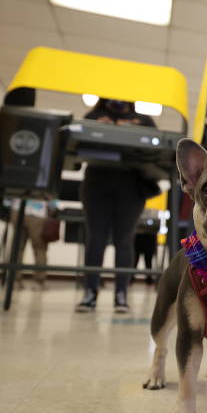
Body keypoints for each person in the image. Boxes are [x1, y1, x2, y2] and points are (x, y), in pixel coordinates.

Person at [75, 99, 158, 313]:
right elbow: (78, 143)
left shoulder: (144, 120)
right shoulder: (94, 116)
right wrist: (101, 128)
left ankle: (121, 293)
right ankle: (90, 292)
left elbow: (156, 150)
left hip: (131, 184)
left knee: (125, 239)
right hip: (96, 181)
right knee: (95, 238)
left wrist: (134, 131)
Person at [9, 199, 57, 290]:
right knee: (40, 249)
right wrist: (53, 208)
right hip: (37, 212)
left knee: (17, 248)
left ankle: (14, 281)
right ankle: (39, 282)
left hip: (17, 210)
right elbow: (52, 198)